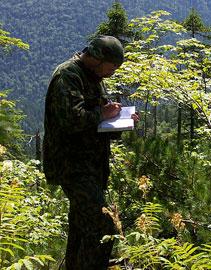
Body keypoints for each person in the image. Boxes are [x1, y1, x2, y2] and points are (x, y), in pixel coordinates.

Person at [43, 35, 132, 269]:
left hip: (91, 165)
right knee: (103, 225)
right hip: (72, 166)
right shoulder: (68, 76)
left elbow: (96, 121)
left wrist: (120, 121)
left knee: (81, 226)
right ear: (97, 58)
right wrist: (104, 115)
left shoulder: (93, 76)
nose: (113, 71)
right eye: (112, 66)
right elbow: (71, 120)